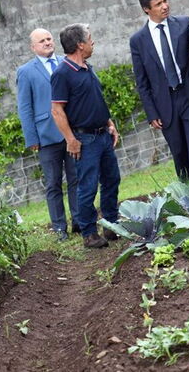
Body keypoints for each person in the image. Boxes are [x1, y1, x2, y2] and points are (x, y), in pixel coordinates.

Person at [129, 0, 189, 179]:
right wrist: (151, 113)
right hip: (164, 103)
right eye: (158, 4)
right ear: (146, 9)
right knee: (179, 154)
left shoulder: (183, 23)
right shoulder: (138, 40)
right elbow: (141, 82)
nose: (165, 6)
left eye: (165, 1)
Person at [50, 23, 121, 249]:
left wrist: (110, 124)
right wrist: (71, 140)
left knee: (112, 179)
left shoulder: (88, 68)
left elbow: (96, 100)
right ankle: (89, 233)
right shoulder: (62, 73)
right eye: (90, 39)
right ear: (80, 45)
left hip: (103, 135)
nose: (93, 42)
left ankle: (111, 224)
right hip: (85, 140)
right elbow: (57, 110)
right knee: (87, 187)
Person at [16, 28, 78, 240]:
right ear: (33, 47)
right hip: (46, 136)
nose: (47, 43)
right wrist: (32, 138)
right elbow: (25, 107)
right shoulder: (26, 71)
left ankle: (79, 221)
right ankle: (60, 228)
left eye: (49, 39)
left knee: (75, 178)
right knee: (53, 183)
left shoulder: (66, 62)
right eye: (41, 41)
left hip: (71, 132)